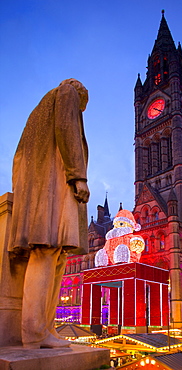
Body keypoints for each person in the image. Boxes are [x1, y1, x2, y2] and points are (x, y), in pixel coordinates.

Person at [8, 78, 90, 349]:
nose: (82, 108)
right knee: (48, 252)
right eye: (83, 104)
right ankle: (36, 332)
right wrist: (78, 176)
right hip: (54, 187)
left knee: (53, 256)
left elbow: (18, 158)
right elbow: (68, 131)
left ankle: (45, 329)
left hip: (38, 190)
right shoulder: (66, 93)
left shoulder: (37, 113)